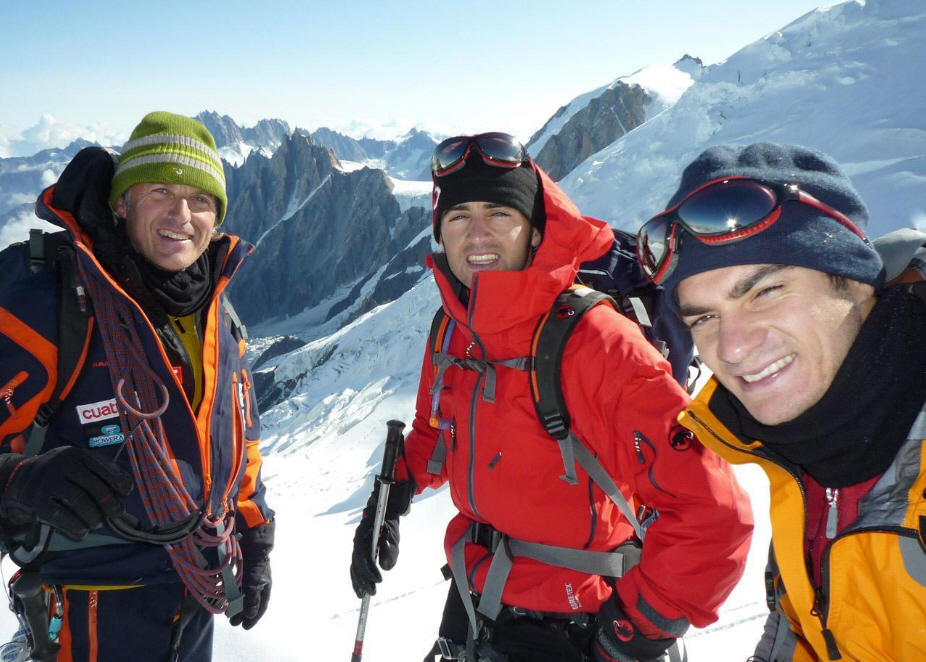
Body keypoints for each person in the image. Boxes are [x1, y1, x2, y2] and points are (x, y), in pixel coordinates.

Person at [350, 132, 753, 662]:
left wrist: (640, 628)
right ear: (439, 233)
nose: (477, 235)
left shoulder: (599, 344)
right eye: (458, 216)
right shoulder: (451, 332)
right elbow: (437, 433)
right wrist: (394, 490)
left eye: (499, 213)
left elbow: (715, 513)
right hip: (478, 599)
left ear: (535, 229)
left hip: (578, 623)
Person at [0, 112, 275, 661]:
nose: (181, 215)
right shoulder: (43, 298)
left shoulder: (219, 318)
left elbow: (238, 445)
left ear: (218, 219)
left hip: (193, 606)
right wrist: (15, 482)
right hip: (85, 615)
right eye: (160, 191)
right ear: (121, 204)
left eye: (200, 200)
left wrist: (255, 536)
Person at [636, 141, 926, 661]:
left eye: (765, 292)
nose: (732, 347)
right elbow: (799, 634)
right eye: (703, 317)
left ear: (855, 281)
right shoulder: (799, 450)